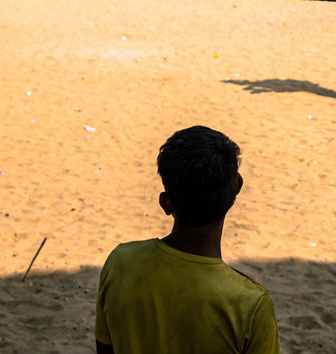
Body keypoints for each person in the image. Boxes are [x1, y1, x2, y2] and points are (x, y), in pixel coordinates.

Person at [94, 125, 279, 354]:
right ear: (237, 185)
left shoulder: (120, 262)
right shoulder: (250, 303)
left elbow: (104, 347)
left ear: (166, 202)